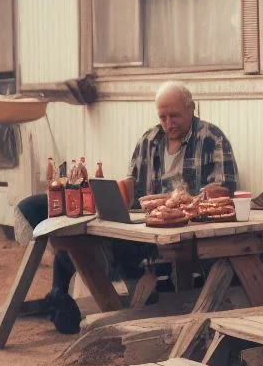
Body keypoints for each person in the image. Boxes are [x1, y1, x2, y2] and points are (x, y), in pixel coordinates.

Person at [16, 81, 240, 332]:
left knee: (96, 245)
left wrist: (184, 201)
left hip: (183, 228)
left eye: (174, 116)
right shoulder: (149, 140)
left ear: (192, 109)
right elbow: (132, 190)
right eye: (162, 117)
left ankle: (119, 296)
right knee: (68, 225)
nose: (168, 123)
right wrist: (118, 198)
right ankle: (66, 293)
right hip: (145, 224)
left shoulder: (212, 139)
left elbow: (224, 189)